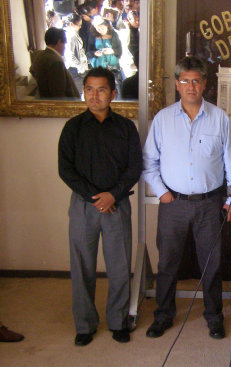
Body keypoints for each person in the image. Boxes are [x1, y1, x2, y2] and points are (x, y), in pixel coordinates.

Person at [142, 56, 231, 340]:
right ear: (177, 84)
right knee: (168, 263)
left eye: (196, 80)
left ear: (205, 84)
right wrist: (162, 193)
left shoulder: (219, 118)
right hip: (174, 204)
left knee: (212, 263)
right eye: (184, 80)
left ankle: (214, 316)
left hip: (210, 203)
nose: (190, 86)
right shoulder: (163, 119)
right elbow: (149, 162)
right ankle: (163, 316)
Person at [58, 67, 142, 346]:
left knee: (119, 265)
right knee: (82, 266)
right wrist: (96, 198)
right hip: (84, 206)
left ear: (113, 93)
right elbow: (65, 170)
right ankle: (85, 324)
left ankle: (118, 321)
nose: (95, 96)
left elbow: (134, 168)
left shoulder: (126, 128)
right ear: (84, 93)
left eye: (101, 89)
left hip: (117, 205)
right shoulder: (73, 128)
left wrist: (112, 196)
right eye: (89, 89)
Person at [29, 27, 79, 98]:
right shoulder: (56, 62)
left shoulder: (40, 55)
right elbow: (58, 94)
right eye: (64, 44)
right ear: (59, 42)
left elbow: (32, 70)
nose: (65, 48)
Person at [87, 16, 123, 95]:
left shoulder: (114, 35)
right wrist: (95, 53)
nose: (100, 31)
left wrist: (112, 51)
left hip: (112, 67)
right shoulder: (93, 36)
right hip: (99, 67)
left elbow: (120, 50)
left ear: (107, 26)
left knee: (115, 88)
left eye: (102, 28)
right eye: (98, 29)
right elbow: (89, 52)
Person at [64, 13, 88, 96]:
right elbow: (71, 55)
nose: (80, 27)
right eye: (79, 25)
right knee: (77, 93)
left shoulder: (70, 34)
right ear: (71, 24)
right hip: (75, 69)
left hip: (75, 68)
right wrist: (80, 66)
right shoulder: (71, 36)